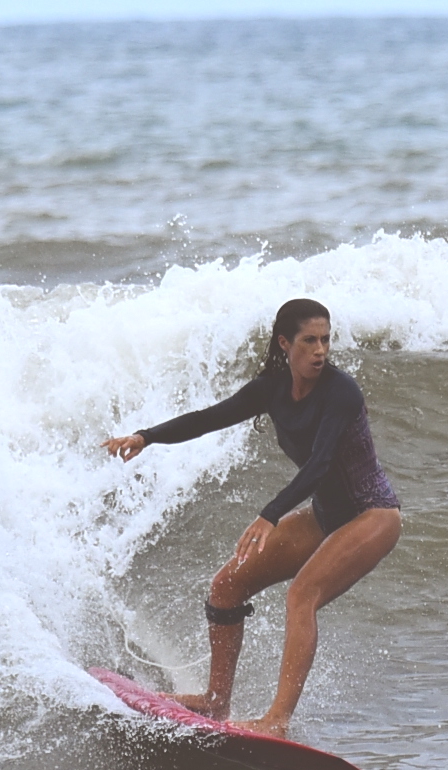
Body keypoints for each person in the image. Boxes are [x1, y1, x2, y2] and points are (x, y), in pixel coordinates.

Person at [102, 298, 402, 736]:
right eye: (309, 341)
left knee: (302, 596)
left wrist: (270, 514)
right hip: (325, 516)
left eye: (326, 340)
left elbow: (320, 463)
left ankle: (276, 721)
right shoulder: (272, 388)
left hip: (372, 514)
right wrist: (147, 436)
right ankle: (215, 699)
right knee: (227, 585)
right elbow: (210, 419)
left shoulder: (341, 393)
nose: (320, 350)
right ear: (285, 343)